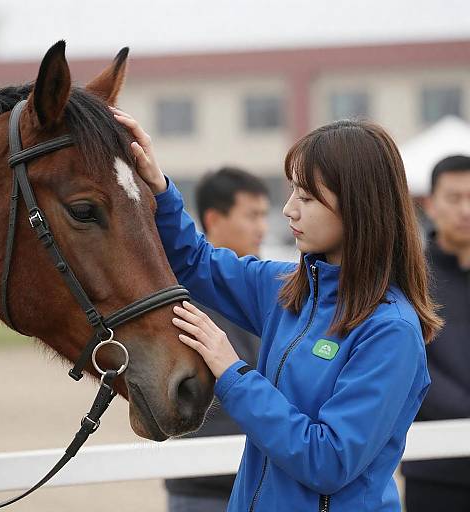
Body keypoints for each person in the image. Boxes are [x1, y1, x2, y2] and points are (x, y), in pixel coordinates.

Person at [112, 106, 442, 512]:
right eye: (292, 192)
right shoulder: (284, 289)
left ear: (358, 207)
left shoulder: (391, 330)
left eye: (306, 197)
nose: (288, 210)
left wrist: (233, 374)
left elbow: (329, 461)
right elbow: (195, 262)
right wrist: (159, 186)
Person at [164, 167, 270, 512]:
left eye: (264, 215)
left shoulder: (268, 290)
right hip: (202, 487)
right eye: (252, 215)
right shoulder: (179, 300)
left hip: (264, 485)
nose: (262, 227)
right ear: (213, 218)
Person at [401, 155, 470, 511]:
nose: (466, 209)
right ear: (429, 204)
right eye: (454, 197)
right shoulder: (410, 281)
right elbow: (409, 367)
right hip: (434, 469)